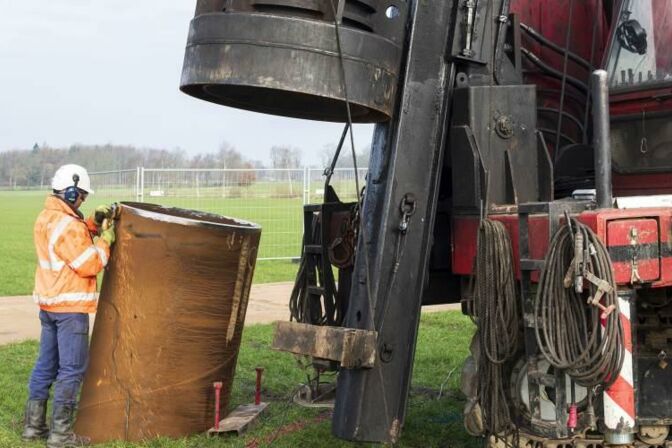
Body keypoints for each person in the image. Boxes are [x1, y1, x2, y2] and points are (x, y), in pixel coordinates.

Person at [22, 164, 116, 448]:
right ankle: (61, 436)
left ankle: (33, 428)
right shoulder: (67, 224)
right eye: (82, 195)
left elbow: (68, 240)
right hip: (69, 309)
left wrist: (91, 223)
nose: (83, 200)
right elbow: (89, 263)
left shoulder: (47, 216)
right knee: (71, 370)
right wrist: (105, 240)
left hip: (49, 305)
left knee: (45, 366)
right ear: (71, 191)